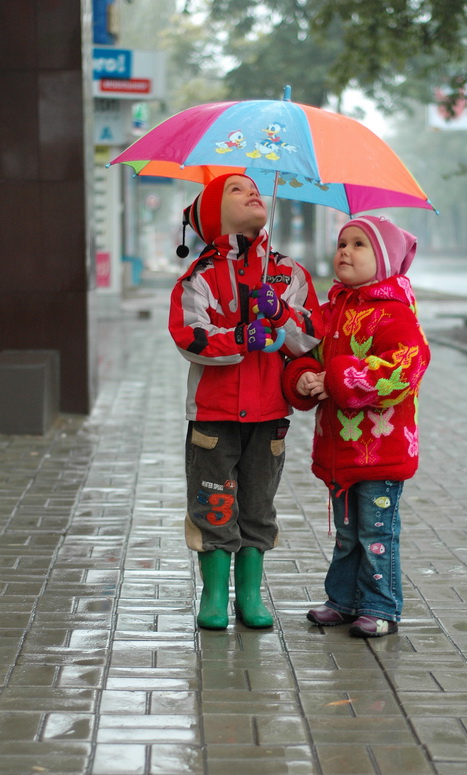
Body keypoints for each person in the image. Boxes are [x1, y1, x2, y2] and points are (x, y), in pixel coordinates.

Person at [169, 173, 324, 631]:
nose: (252, 192)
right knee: (214, 504)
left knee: (258, 505)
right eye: (236, 189)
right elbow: (190, 335)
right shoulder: (200, 276)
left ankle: (250, 595)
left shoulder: (288, 273)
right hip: (213, 416)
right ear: (215, 214)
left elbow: (310, 336)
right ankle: (215, 594)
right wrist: (242, 336)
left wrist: (281, 314)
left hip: (269, 414)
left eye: (255, 187)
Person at [281, 216, 431, 638]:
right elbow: (307, 351)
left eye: (359, 244)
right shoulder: (332, 310)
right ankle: (343, 600)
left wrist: (338, 379)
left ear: (383, 261)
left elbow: (406, 367)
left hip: (381, 450)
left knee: (376, 533)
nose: (345, 250)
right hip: (339, 448)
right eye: (342, 242)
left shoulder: (395, 313)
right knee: (348, 534)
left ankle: (381, 606)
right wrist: (306, 377)